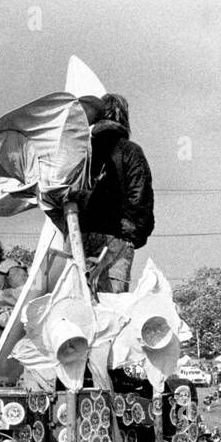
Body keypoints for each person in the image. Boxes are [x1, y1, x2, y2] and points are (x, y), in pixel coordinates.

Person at [77, 93, 154, 293]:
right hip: (116, 238)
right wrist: (136, 233)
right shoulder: (130, 151)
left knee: (75, 299)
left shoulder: (81, 150)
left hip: (78, 235)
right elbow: (141, 197)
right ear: (123, 118)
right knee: (113, 305)